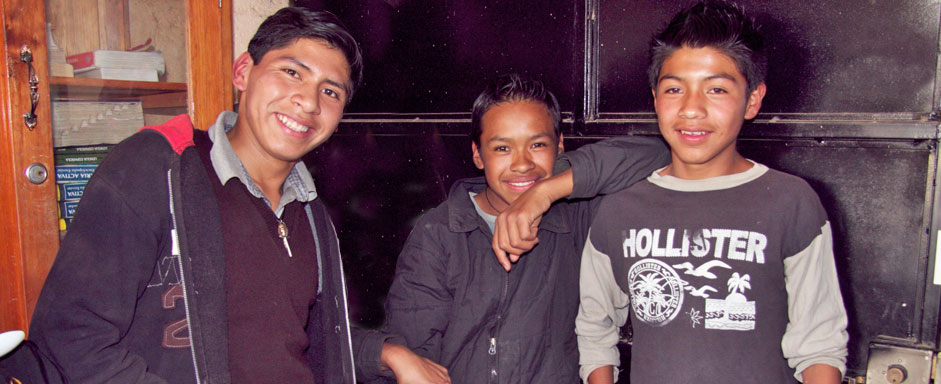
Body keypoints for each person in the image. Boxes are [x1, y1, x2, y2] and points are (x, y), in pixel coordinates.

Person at [28, 7, 443, 384]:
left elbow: (307, 340)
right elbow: (71, 337)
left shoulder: (312, 215)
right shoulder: (157, 169)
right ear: (243, 72)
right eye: (292, 72)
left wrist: (387, 353)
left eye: (330, 92)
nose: (308, 102)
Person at [496, 2, 849, 383]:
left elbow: (820, 344)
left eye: (716, 89)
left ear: (752, 100)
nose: (692, 109)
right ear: (655, 98)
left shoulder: (791, 201)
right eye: (674, 89)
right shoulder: (620, 208)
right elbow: (596, 328)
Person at [353, 74, 670, 383]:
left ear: (560, 146)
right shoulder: (442, 231)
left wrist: (544, 193)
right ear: (478, 155)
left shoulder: (579, 214)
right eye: (502, 148)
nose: (521, 164)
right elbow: (412, 353)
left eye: (537, 144)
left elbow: (660, 155)